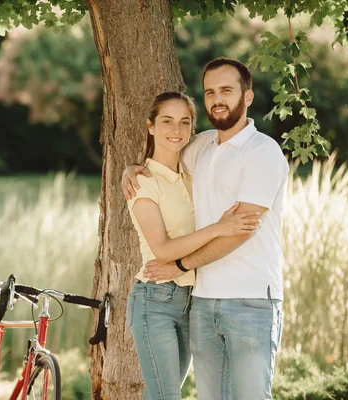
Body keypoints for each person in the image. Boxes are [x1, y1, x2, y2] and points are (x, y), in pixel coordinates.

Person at [122, 58, 289, 400]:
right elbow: (164, 154)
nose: (217, 99)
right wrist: (131, 168)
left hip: (251, 298)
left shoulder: (262, 152)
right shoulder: (202, 147)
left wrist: (182, 265)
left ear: (248, 97)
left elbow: (241, 230)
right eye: (211, 92)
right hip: (201, 300)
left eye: (227, 90)